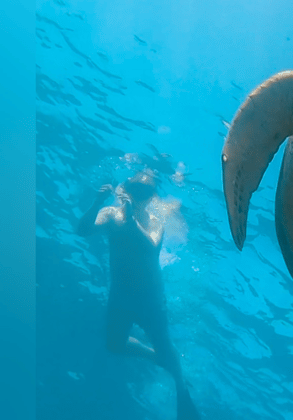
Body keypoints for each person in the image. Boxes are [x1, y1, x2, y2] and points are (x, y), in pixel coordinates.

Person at [77, 171, 200, 419]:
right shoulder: (111, 215)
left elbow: (152, 247)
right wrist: (97, 202)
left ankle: (182, 391)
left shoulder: (155, 218)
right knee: (114, 345)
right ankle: (158, 358)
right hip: (120, 296)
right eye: (135, 189)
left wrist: (132, 220)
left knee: (166, 347)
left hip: (150, 300)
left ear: (152, 196)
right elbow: (83, 230)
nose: (138, 196)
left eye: (145, 192)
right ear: (125, 190)